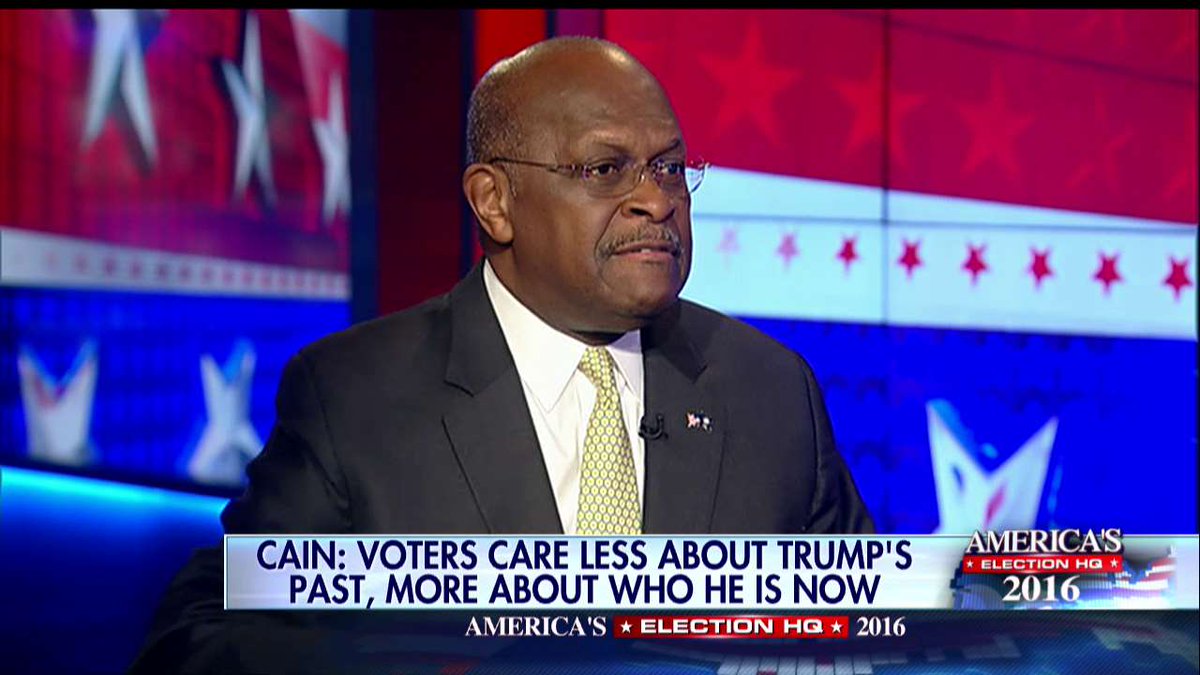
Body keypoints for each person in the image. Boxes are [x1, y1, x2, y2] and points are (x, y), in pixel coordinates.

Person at [131, 36, 873, 673]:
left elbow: (874, 636)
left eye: (670, 168)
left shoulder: (769, 390)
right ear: (494, 201)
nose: (657, 200)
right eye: (605, 170)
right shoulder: (355, 399)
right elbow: (201, 639)